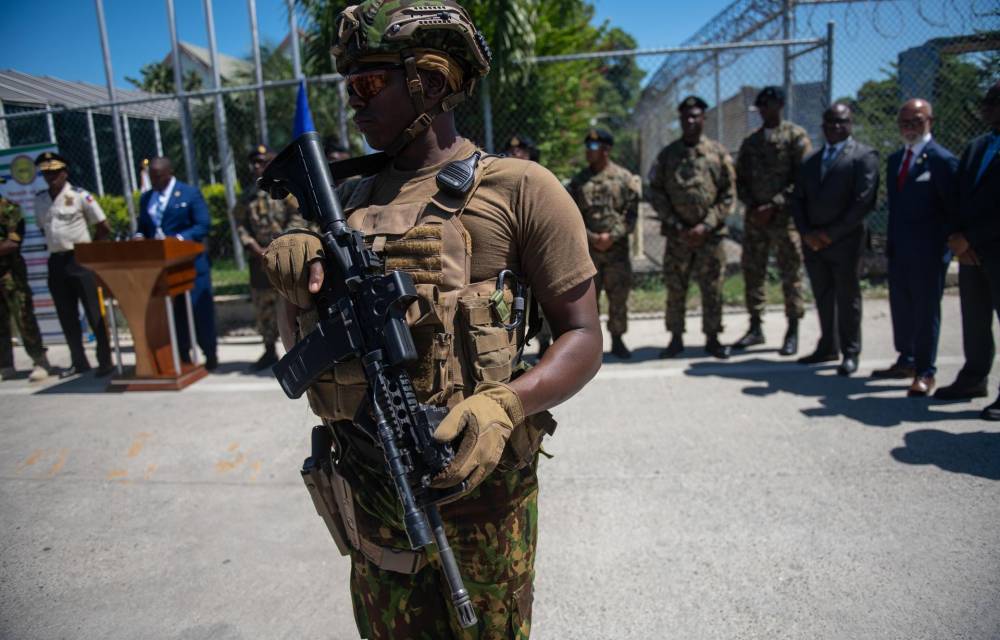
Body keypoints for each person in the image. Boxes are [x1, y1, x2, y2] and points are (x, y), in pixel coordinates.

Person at [264, 1, 602, 637]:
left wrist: (505, 404)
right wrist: (294, 286)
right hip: (370, 485)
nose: (355, 104)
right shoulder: (345, 205)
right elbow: (303, 360)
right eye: (349, 87)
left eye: (370, 84)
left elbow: (583, 337)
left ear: (434, 80)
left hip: (482, 494)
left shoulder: (521, 189)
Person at [873, 98, 957, 396]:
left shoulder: (942, 160)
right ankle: (906, 359)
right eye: (905, 122)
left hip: (929, 253)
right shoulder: (896, 159)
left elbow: (952, 209)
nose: (910, 128)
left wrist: (946, 248)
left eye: (916, 121)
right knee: (902, 309)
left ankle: (925, 371)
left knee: (925, 312)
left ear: (929, 122)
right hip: (900, 249)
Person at [790, 103, 879, 376]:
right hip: (814, 244)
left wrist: (830, 234)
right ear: (822, 126)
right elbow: (798, 200)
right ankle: (828, 345)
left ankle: (851, 352)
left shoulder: (864, 156)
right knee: (823, 295)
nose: (835, 127)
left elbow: (863, 203)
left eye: (841, 122)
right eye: (830, 122)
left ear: (850, 124)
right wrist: (807, 233)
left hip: (845, 242)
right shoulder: (810, 161)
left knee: (847, 296)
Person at [648, 95, 735, 360]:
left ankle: (713, 338)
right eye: (686, 116)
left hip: (710, 237)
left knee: (712, 288)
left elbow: (728, 194)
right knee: (676, 289)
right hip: (678, 237)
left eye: (695, 116)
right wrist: (677, 224)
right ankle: (675, 338)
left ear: (704, 119)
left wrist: (706, 225)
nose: (690, 120)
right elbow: (656, 192)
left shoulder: (718, 153)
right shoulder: (668, 155)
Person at [935, 81, 1000, 418]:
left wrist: (971, 238)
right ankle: (974, 377)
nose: (986, 107)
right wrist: (956, 237)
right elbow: (956, 196)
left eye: (994, 101)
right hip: (970, 250)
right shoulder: (977, 147)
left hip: (991, 246)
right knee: (975, 319)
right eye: (986, 101)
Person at [732, 86, 811, 356]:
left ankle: (792, 330)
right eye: (760, 106)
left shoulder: (795, 137)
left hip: (784, 220)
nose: (763, 111)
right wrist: (753, 206)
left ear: (779, 105)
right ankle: (755, 327)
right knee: (753, 272)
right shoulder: (751, 142)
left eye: (767, 105)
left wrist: (774, 204)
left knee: (791, 274)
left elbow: (803, 180)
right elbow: (739, 179)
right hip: (755, 221)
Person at [33, 151, 114, 377]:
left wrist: (91, 251)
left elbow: (103, 226)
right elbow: (43, 228)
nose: (52, 177)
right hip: (57, 262)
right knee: (66, 314)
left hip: (81, 259)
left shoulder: (80, 196)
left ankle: (105, 360)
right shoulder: (40, 200)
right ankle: (79, 361)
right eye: (47, 173)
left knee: (93, 312)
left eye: (56, 173)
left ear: (65, 173)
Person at [137, 157, 218, 371]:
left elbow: (203, 225)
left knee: (200, 311)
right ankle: (182, 355)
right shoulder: (146, 198)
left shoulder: (190, 193)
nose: (153, 180)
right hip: (162, 267)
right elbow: (143, 227)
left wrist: (179, 240)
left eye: (157, 176)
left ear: (169, 173)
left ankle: (210, 353)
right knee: (176, 314)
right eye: (151, 177)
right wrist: (138, 236)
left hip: (191, 265)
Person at [235, 144, 310, 372]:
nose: (259, 166)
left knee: (292, 304)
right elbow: (240, 225)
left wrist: (280, 244)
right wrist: (253, 246)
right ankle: (269, 350)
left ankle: (298, 351)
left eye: (264, 161)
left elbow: (298, 218)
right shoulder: (246, 197)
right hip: (259, 261)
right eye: (255, 162)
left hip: (285, 258)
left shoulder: (285, 190)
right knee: (263, 305)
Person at [568, 128, 641, 359]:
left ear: (606, 150)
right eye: (587, 146)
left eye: (593, 147)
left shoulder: (625, 179)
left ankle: (618, 339)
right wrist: (592, 237)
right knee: (589, 302)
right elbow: (572, 215)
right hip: (588, 252)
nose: (588, 151)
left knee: (618, 297)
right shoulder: (579, 182)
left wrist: (611, 236)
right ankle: (592, 346)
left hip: (616, 250)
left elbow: (631, 214)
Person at [503, 134, 552, 357]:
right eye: (512, 150)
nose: (516, 153)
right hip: (510, 253)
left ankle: (545, 343)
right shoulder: (500, 183)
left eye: (522, 149)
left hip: (538, 250)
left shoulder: (542, 180)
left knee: (542, 301)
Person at [0, 178, 52, 382]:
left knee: (24, 318)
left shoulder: (9, 209)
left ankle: (40, 360)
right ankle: (5, 365)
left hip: (11, 276)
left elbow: (12, 243)